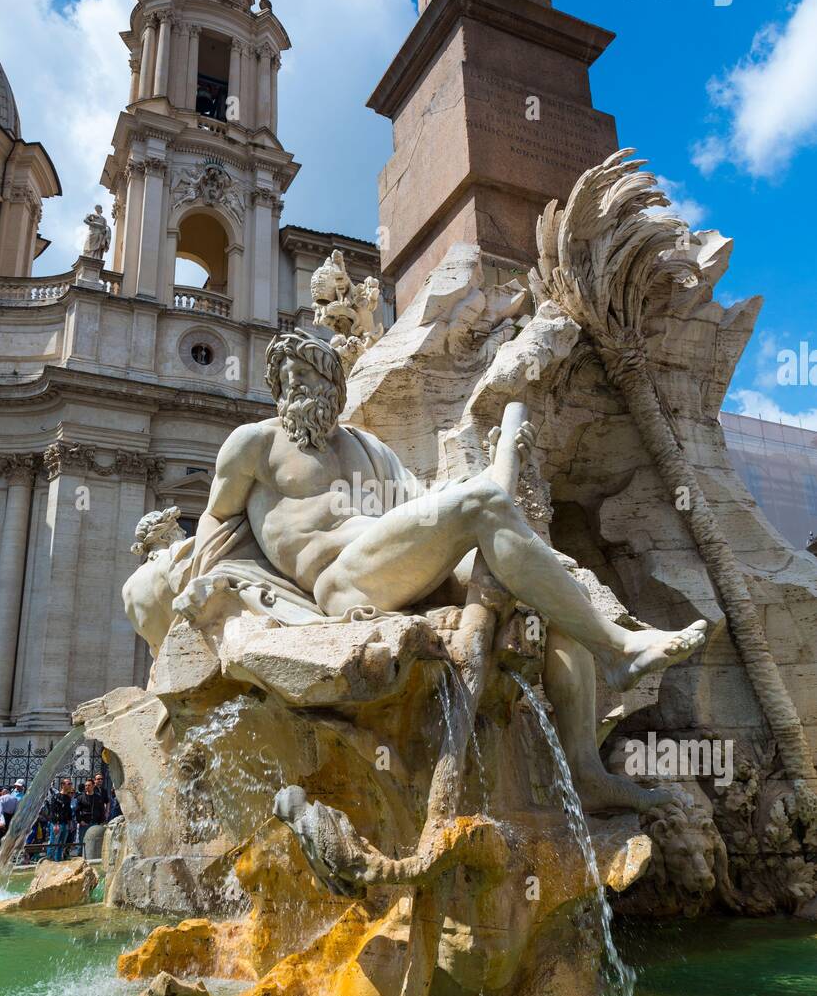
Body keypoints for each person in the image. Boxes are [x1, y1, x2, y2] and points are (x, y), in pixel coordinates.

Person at [169, 331, 708, 814]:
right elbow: (217, 521)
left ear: (334, 384)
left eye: (306, 374)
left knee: (548, 581)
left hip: (398, 567)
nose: (293, 387)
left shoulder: (367, 448)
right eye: (284, 380)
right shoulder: (255, 443)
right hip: (339, 581)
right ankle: (620, 651)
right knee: (481, 506)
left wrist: (503, 460)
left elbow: (434, 511)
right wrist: (215, 591)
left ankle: (586, 772)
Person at [45, 778, 74, 861]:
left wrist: (70, 823)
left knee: (62, 843)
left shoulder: (68, 798)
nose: (70, 785)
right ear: (62, 785)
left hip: (65, 823)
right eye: (68, 784)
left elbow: (68, 811)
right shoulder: (56, 796)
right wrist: (56, 824)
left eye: (70, 784)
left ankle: (57, 860)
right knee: (54, 842)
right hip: (57, 824)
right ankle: (49, 859)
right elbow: (53, 811)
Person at [74, 779, 105, 848]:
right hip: (84, 823)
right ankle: (80, 855)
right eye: (86, 785)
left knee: (94, 843)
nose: (87, 787)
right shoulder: (81, 797)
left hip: (95, 823)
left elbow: (102, 809)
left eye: (89, 785)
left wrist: (101, 821)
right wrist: (80, 821)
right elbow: (77, 811)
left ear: (93, 786)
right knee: (82, 842)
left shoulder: (98, 797)